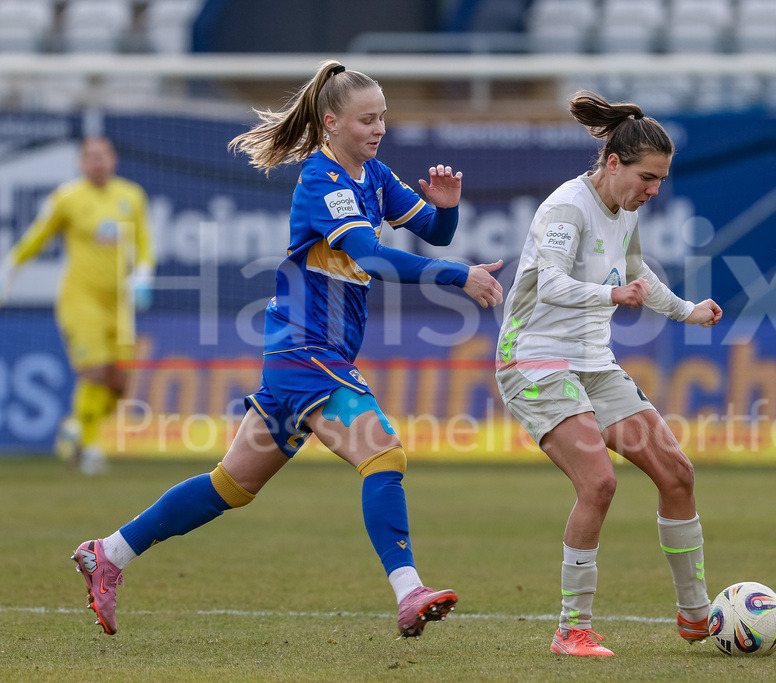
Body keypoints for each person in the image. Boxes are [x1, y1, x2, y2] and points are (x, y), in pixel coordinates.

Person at [70, 62, 504, 639]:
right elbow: (371, 257)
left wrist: (446, 207)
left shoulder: (374, 175)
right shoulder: (322, 181)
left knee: (230, 486)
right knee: (383, 456)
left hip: (301, 355)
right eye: (366, 119)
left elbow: (435, 231)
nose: (379, 128)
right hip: (307, 350)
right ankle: (409, 592)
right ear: (331, 123)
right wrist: (457, 276)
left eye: (382, 117)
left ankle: (108, 553)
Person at [494, 91, 723, 657]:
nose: (654, 190)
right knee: (598, 482)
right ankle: (571, 629)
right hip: (535, 359)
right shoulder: (567, 208)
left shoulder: (626, 212)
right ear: (614, 163)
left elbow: (638, 273)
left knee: (677, 473)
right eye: (647, 177)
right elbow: (549, 283)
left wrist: (687, 311)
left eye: (661, 180)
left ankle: (697, 615)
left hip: (594, 363)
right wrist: (610, 295)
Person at [0, 136, 154, 475]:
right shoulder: (67, 198)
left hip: (120, 303)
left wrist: (143, 273)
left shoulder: (131, 196)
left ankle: (74, 427)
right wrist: (9, 268)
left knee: (119, 382)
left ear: (113, 160)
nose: (97, 162)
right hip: (81, 298)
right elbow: (38, 236)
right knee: (95, 370)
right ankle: (91, 449)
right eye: (90, 157)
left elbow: (143, 240)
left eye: (102, 155)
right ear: (81, 163)